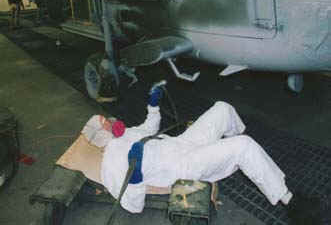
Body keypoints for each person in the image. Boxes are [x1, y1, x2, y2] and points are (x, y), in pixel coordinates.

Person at [100, 84, 294, 215]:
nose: (111, 120)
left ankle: (245, 158)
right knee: (244, 145)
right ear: (101, 136)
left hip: (181, 143)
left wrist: (153, 106)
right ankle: (287, 198)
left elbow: (149, 128)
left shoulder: (127, 134)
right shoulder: (111, 160)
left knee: (222, 108)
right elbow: (133, 206)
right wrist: (135, 177)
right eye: (105, 123)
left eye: (108, 118)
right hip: (180, 167)